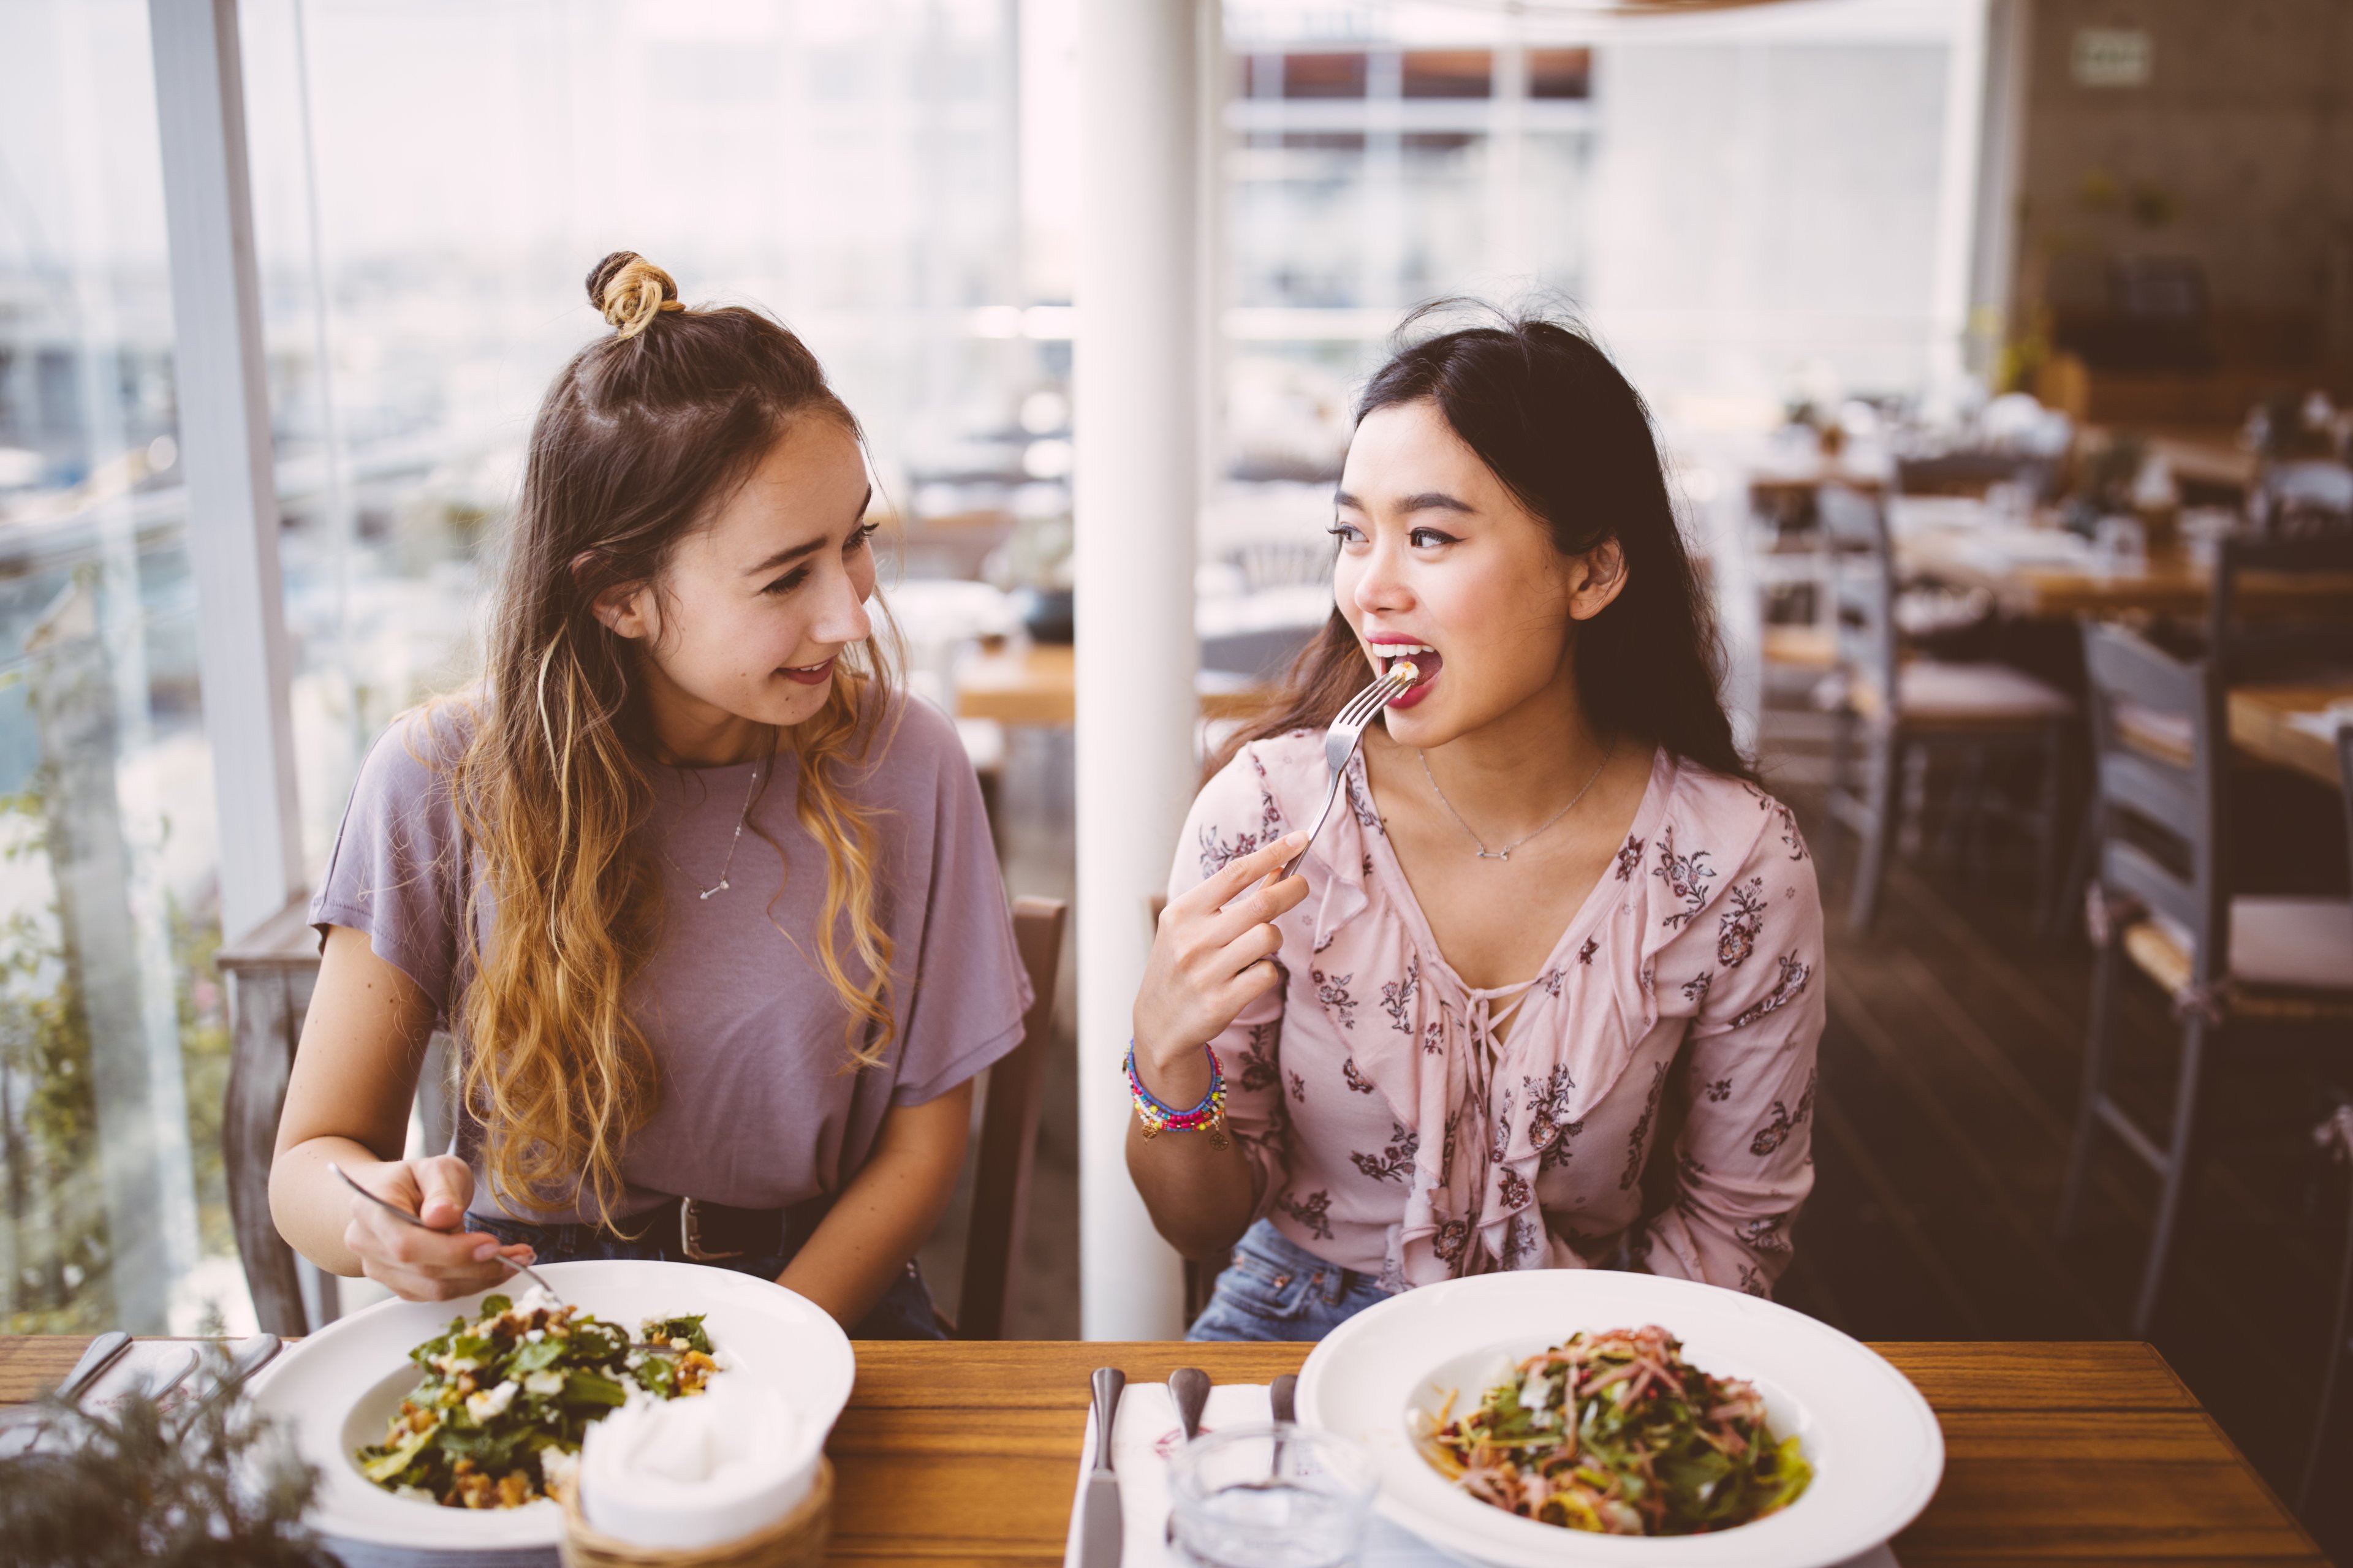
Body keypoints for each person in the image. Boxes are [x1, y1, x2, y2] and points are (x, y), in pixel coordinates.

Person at [271, 252, 1029, 1337]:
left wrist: (753, 1358)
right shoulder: (436, 779)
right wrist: (372, 1219)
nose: (852, 614)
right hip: (534, 1315)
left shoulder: (910, 765)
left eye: (854, 539)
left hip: (813, 1306)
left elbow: (921, 1149)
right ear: (619, 596)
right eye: (785, 577)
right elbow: (310, 1162)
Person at [1129, 309, 1824, 1341]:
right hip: (1297, 1323)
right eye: (1353, 535)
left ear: (1591, 572)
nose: (1372, 588)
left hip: (1597, 1344)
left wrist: (1582, 1394)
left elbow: (1736, 1221)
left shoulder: (1736, 865)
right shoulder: (1270, 811)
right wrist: (1163, 1058)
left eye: (1431, 537)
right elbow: (1198, 1226)